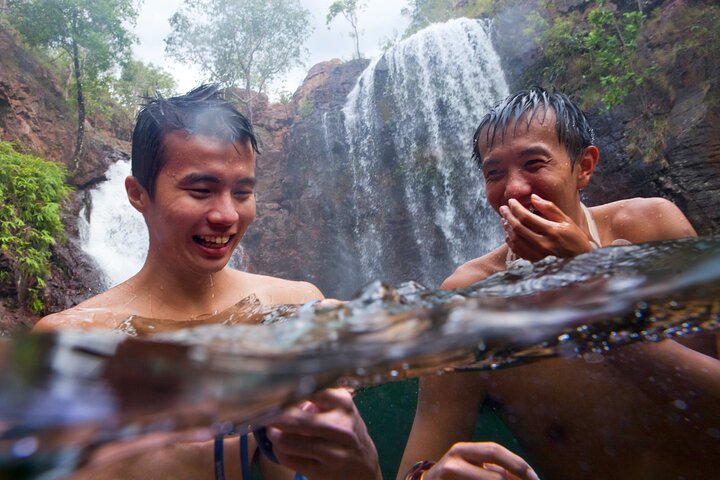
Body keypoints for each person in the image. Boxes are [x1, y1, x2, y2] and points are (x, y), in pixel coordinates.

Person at [34, 84, 381, 480]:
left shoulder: (299, 306)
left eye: (243, 192)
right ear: (137, 193)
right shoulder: (71, 340)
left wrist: (362, 465)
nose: (227, 215)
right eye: (201, 190)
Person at [398, 87, 720, 479]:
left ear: (584, 166)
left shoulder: (651, 228)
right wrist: (430, 475)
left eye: (533, 163)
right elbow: (416, 467)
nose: (513, 189)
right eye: (494, 173)